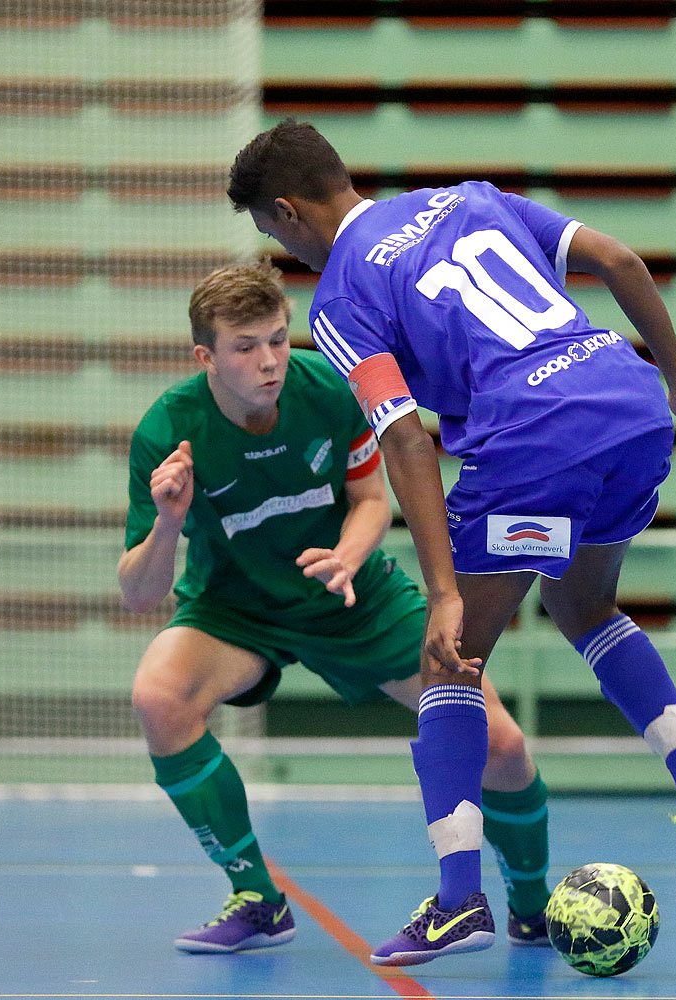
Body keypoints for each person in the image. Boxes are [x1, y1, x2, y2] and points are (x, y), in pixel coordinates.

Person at [228, 119, 676, 968]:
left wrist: (441, 591)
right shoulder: (470, 197)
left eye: (272, 235)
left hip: (534, 442)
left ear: (287, 212)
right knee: (584, 604)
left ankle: (457, 898)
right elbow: (620, 262)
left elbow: (404, 440)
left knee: (452, 658)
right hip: (628, 404)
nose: (285, 251)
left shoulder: (341, 300)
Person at [119, 260, 554, 956]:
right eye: (245, 347)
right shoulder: (168, 433)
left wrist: (349, 557)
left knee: (498, 742)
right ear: (205, 356)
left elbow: (372, 500)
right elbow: (141, 592)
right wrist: (169, 520)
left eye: (277, 339)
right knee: (158, 696)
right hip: (238, 608)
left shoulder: (328, 389)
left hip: (354, 597)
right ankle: (258, 900)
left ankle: (532, 909)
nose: (269, 361)